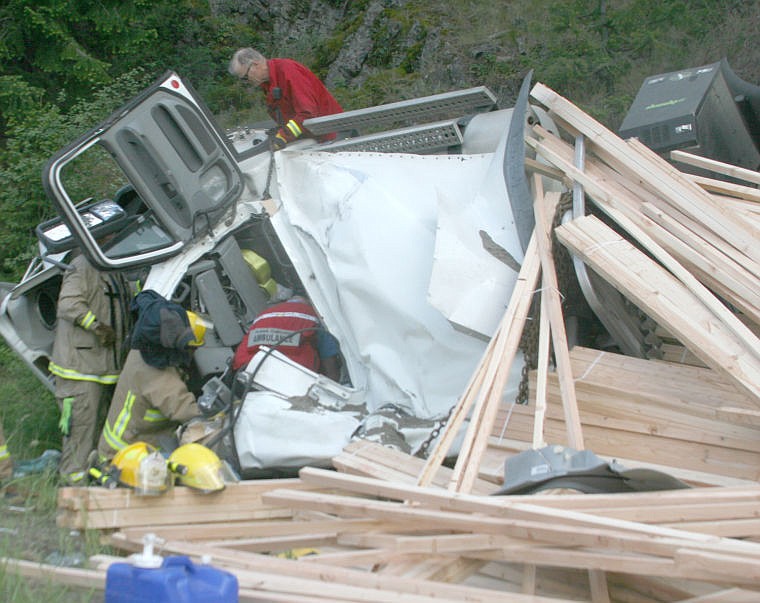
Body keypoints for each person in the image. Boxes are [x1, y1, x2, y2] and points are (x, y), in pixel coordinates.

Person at [48, 251, 130, 485]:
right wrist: (94, 326)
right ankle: (74, 492)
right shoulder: (82, 265)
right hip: (79, 371)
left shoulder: (114, 265)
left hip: (104, 371)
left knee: (98, 437)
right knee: (80, 435)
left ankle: (92, 491)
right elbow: (68, 304)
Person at [97, 291, 206, 461]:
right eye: (193, 349)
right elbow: (184, 409)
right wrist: (210, 421)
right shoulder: (158, 374)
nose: (193, 354)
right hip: (125, 457)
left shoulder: (141, 352)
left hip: (120, 446)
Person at [229, 48, 343, 149]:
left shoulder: (288, 71)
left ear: (255, 64)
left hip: (334, 137)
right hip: (317, 139)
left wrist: (283, 136)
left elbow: (307, 114)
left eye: (245, 77)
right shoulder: (269, 84)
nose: (246, 82)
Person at [232, 294, 340, 381]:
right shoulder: (313, 316)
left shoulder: (264, 314)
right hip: (296, 374)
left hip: (249, 368)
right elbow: (328, 357)